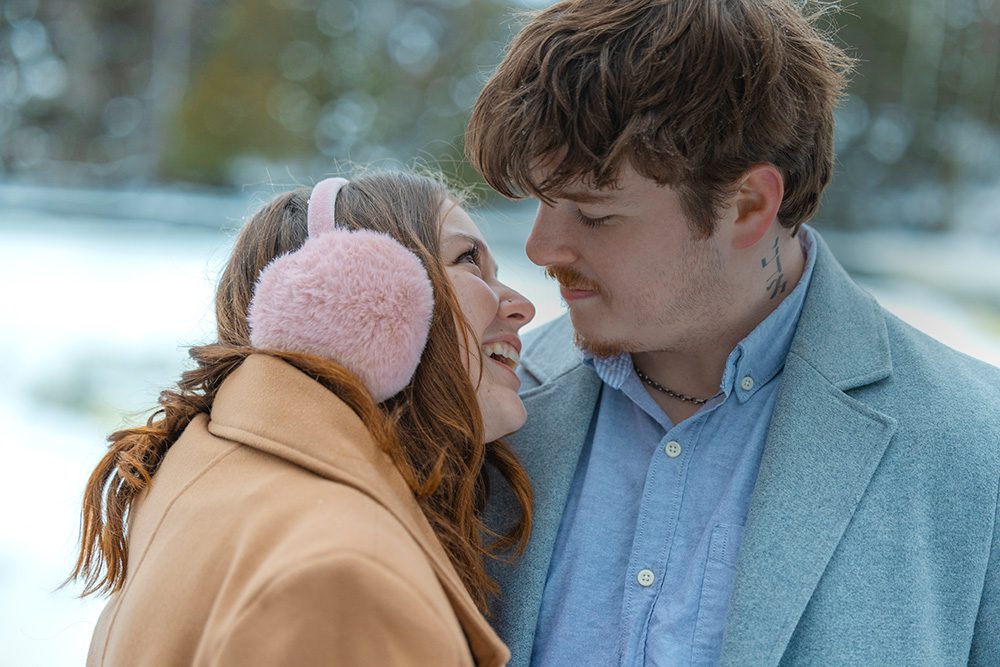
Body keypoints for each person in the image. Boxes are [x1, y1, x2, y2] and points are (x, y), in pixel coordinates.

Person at [465, 1, 1000, 665]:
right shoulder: (490, 411)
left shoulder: (980, 448)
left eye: (596, 215)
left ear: (748, 205)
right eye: (541, 202)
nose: (542, 248)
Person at [70, 171, 536, 666]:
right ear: (361, 301)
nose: (522, 307)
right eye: (469, 261)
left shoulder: (211, 467)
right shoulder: (343, 578)